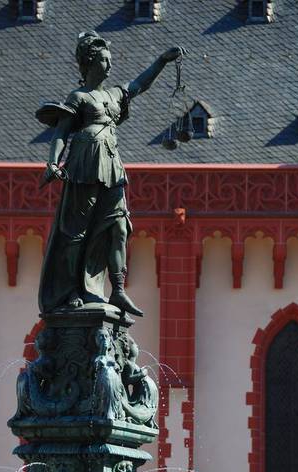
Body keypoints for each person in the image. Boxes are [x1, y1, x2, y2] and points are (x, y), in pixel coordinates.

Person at [37, 31, 187, 317]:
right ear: (90, 63)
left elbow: (140, 84)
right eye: (105, 60)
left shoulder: (113, 95)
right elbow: (61, 134)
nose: (110, 65)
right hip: (84, 166)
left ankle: (117, 290)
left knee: (120, 226)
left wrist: (162, 61)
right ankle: (69, 293)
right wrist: (53, 164)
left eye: (110, 59)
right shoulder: (79, 97)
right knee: (76, 233)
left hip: (111, 165)